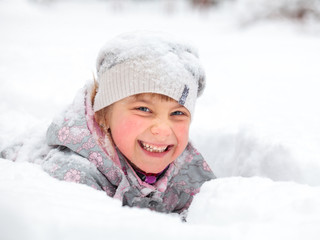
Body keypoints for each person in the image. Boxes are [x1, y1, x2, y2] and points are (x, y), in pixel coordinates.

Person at [1, 31, 216, 215]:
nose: (162, 129)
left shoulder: (189, 170)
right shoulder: (72, 174)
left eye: (178, 113)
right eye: (143, 109)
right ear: (103, 115)